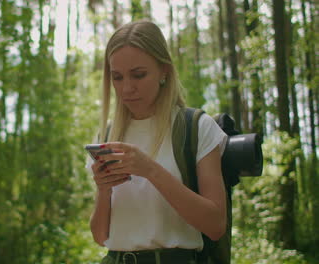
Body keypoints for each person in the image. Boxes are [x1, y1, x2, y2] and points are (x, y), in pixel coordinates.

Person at [86, 20, 228, 264]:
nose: (127, 88)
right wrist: (104, 189)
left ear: (164, 70)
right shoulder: (107, 137)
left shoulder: (197, 128)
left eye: (139, 75)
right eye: (117, 77)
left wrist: (150, 169)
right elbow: (101, 236)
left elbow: (215, 226)